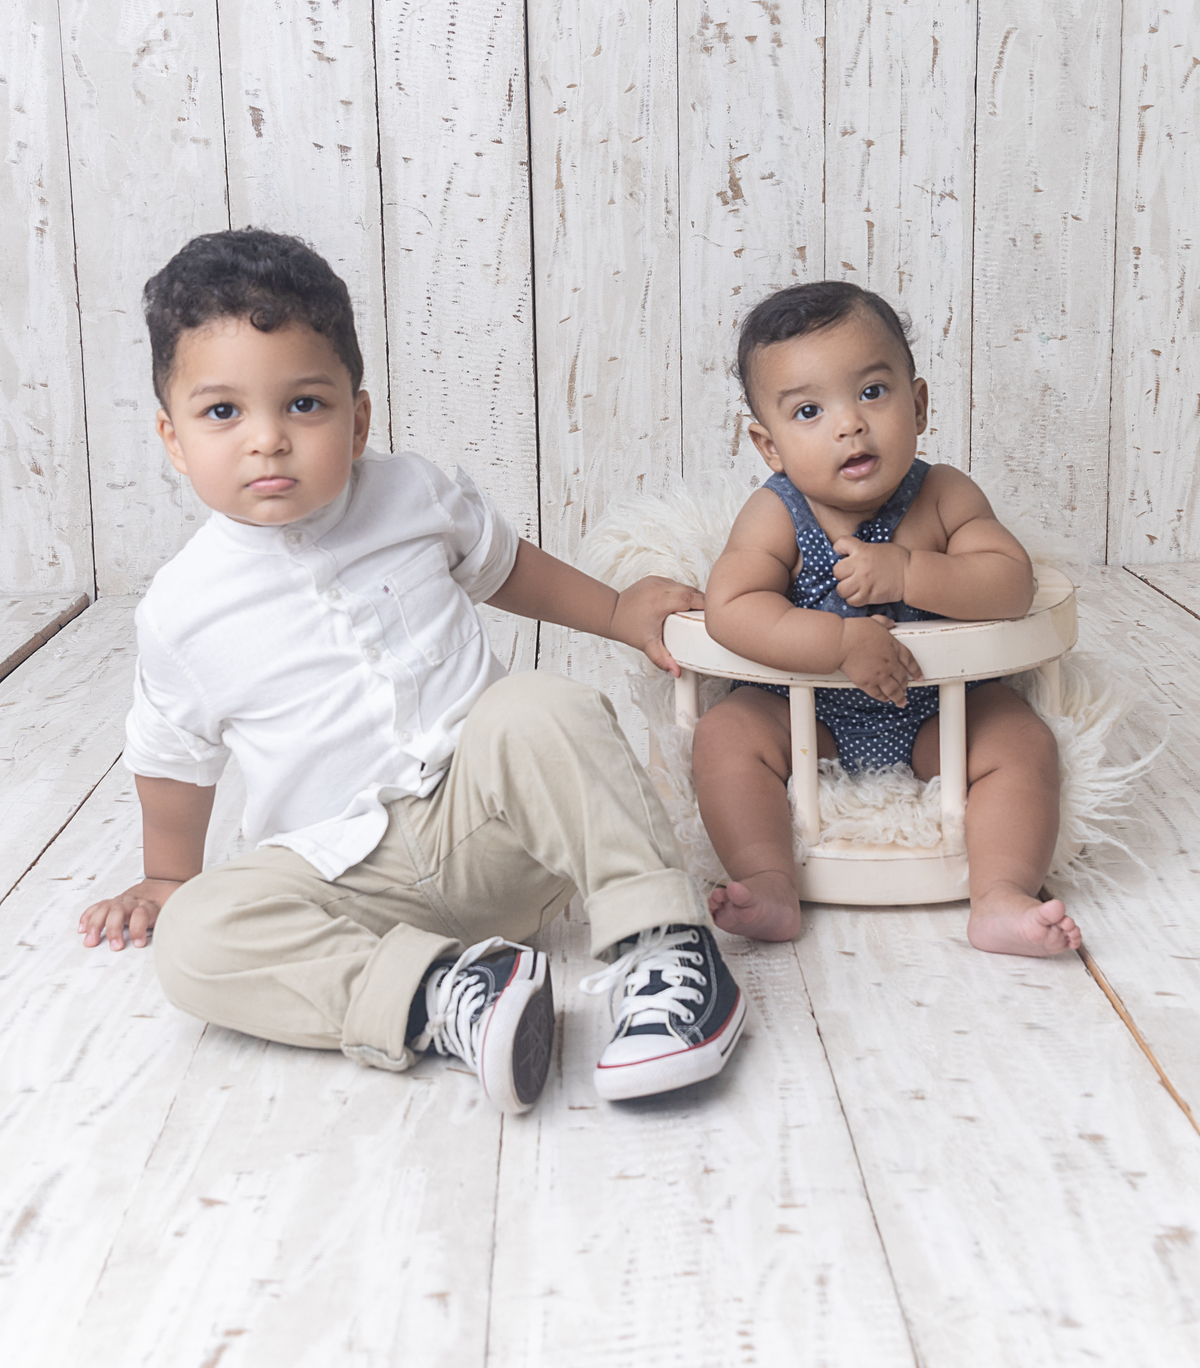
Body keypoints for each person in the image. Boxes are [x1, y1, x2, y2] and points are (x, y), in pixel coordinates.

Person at [79, 229, 747, 1112]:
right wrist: (169, 877)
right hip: (347, 886)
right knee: (197, 939)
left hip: (498, 831)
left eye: (304, 406)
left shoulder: (409, 495)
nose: (268, 441)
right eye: (223, 413)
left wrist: (619, 613)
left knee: (540, 706)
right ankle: (449, 997)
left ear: (357, 418)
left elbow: (509, 568)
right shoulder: (180, 609)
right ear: (172, 438)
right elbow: (170, 759)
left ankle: (664, 945)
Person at [693, 280, 1081, 959]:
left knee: (1022, 745)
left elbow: (1009, 582)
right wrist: (837, 639)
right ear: (769, 445)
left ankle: (1000, 893)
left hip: (937, 710)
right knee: (725, 735)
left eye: (872, 392)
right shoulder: (776, 512)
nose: (849, 424)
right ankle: (767, 877)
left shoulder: (941, 494)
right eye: (809, 410)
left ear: (920, 402)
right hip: (805, 714)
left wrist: (909, 571)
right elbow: (731, 608)